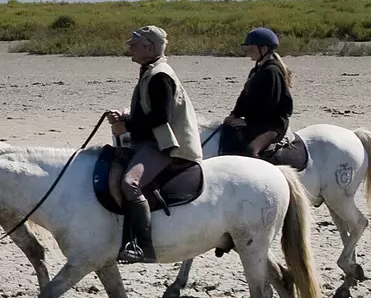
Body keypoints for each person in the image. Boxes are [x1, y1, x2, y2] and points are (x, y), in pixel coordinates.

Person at [109, 25, 203, 264]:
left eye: (135, 43)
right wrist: (127, 117)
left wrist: (127, 126)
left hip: (167, 146)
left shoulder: (160, 75)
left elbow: (160, 118)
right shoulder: (151, 70)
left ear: (149, 47)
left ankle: (144, 246)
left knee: (130, 183)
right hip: (153, 139)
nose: (130, 46)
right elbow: (148, 112)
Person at [219, 27, 293, 157]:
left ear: (263, 49)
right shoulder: (256, 70)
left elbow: (270, 105)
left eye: (251, 47)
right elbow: (244, 96)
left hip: (272, 124)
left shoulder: (272, 71)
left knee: (250, 150)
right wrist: (234, 114)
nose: (248, 52)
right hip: (258, 121)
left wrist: (248, 122)